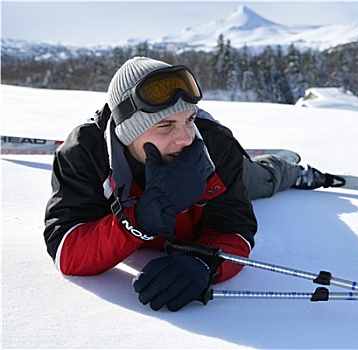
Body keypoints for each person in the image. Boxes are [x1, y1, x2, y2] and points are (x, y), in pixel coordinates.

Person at [43, 56, 342, 312]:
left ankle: (289, 168)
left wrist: (203, 263)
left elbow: (235, 227)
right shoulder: (85, 153)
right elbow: (67, 251)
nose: (186, 138)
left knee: (259, 180)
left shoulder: (214, 145)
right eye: (165, 125)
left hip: (234, 170)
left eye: (189, 119)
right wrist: (138, 221)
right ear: (128, 131)